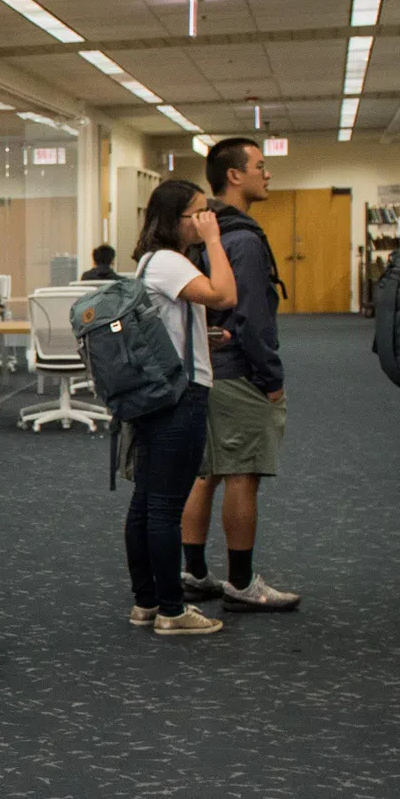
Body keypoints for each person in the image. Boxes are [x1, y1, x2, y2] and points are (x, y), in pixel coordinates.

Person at [178, 138, 300, 612]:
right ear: (234, 175)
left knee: (205, 472)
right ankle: (242, 583)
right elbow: (252, 316)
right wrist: (270, 378)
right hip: (238, 374)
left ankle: (193, 572)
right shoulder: (243, 239)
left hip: (204, 368)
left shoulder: (201, 234)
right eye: (260, 167)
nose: (266, 175)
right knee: (242, 475)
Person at [123, 180, 238, 636]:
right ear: (174, 218)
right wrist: (214, 241)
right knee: (165, 507)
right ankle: (172, 610)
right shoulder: (170, 262)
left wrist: (203, 337)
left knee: (147, 502)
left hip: (158, 391)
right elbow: (226, 296)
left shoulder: (151, 262)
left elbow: (171, 322)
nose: (205, 218)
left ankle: (146, 603)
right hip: (180, 395)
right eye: (198, 213)